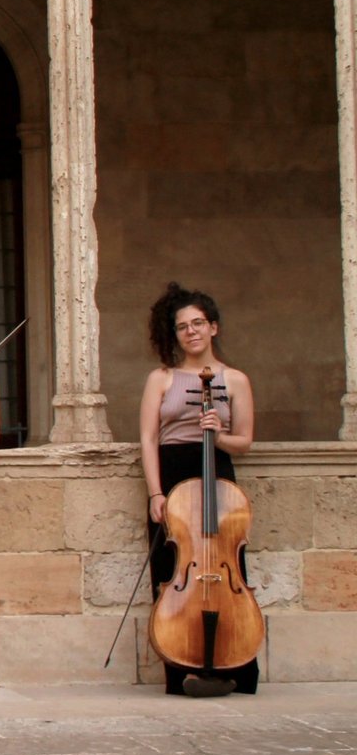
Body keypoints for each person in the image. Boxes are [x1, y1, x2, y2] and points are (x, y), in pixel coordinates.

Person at [140, 283, 258, 697]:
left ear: (213, 328)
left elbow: (244, 439)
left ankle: (236, 664)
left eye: (197, 324)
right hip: (173, 475)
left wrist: (219, 435)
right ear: (173, 334)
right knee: (174, 573)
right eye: (181, 327)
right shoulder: (162, 378)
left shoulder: (235, 379)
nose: (190, 332)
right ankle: (181, 668)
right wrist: (156, 493)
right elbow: (149, 439)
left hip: (217, 471)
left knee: (228, 567)